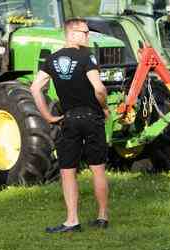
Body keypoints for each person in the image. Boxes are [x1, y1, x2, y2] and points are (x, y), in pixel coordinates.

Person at [31, 18, 109, 233]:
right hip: (92, 118)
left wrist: (47, 115)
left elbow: (35, 88)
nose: (88, 36)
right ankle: (102, 217)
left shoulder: (51, 59)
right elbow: (100, 89)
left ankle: (72, 221)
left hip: (69, 119)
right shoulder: (87, 56)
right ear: (72, 34)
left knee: (67, 171)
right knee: (97, 170)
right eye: (84, 32)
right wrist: (104, 108)